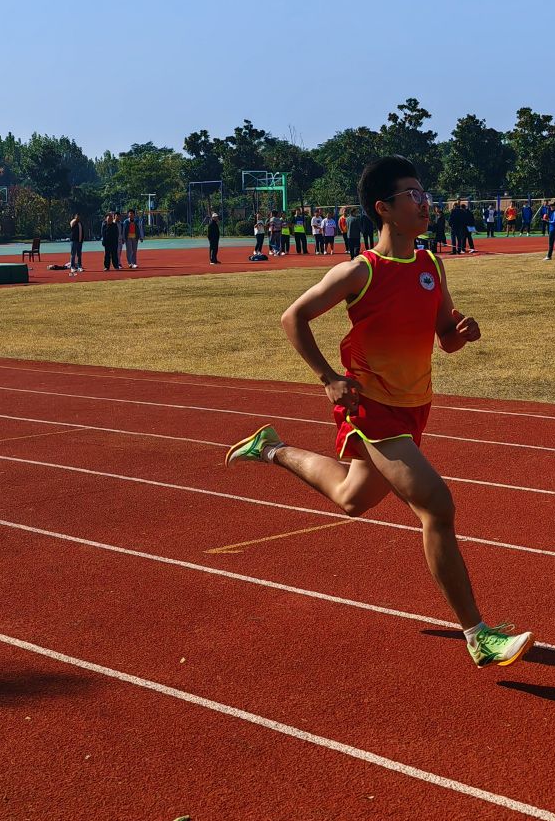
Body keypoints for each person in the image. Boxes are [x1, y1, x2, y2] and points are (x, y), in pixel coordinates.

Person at [224, 156, 533, 671]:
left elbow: (444, 338)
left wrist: (463, 333)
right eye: (411, 193)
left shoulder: (432, 265)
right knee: (436, 505)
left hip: (415, 406)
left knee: (352, 497)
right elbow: (292, 317)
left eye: (423, 190)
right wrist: (329, 378)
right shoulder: (359, 272)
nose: (424, 200)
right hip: (372, 408)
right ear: (384, 209)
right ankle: (478, 635)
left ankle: (272, 447)